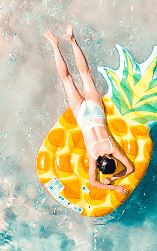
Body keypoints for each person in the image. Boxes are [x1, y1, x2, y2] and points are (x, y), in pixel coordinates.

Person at [45, 25, 134, 196]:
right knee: (66, 79)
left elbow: (129, 169)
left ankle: (71, 40)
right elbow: (93, 183)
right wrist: (111, 183)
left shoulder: (112, 149)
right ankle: (55, 45)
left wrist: (116, 179)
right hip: (82, 117)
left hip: (95, 112)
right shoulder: (93, 157)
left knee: (84, 74)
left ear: (111, 159)